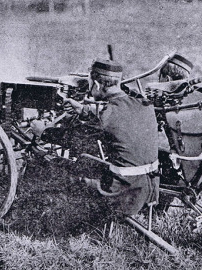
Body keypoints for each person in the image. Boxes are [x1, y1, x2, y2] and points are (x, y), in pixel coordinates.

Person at [63, 59, 160, 216]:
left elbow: (71, 137)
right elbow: (118, 117)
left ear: (97, 84)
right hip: (150, 190)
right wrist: (83, 110)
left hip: (122, 198)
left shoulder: (107, 115)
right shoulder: (144, 104)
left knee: (54, 165)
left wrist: (43, 131)